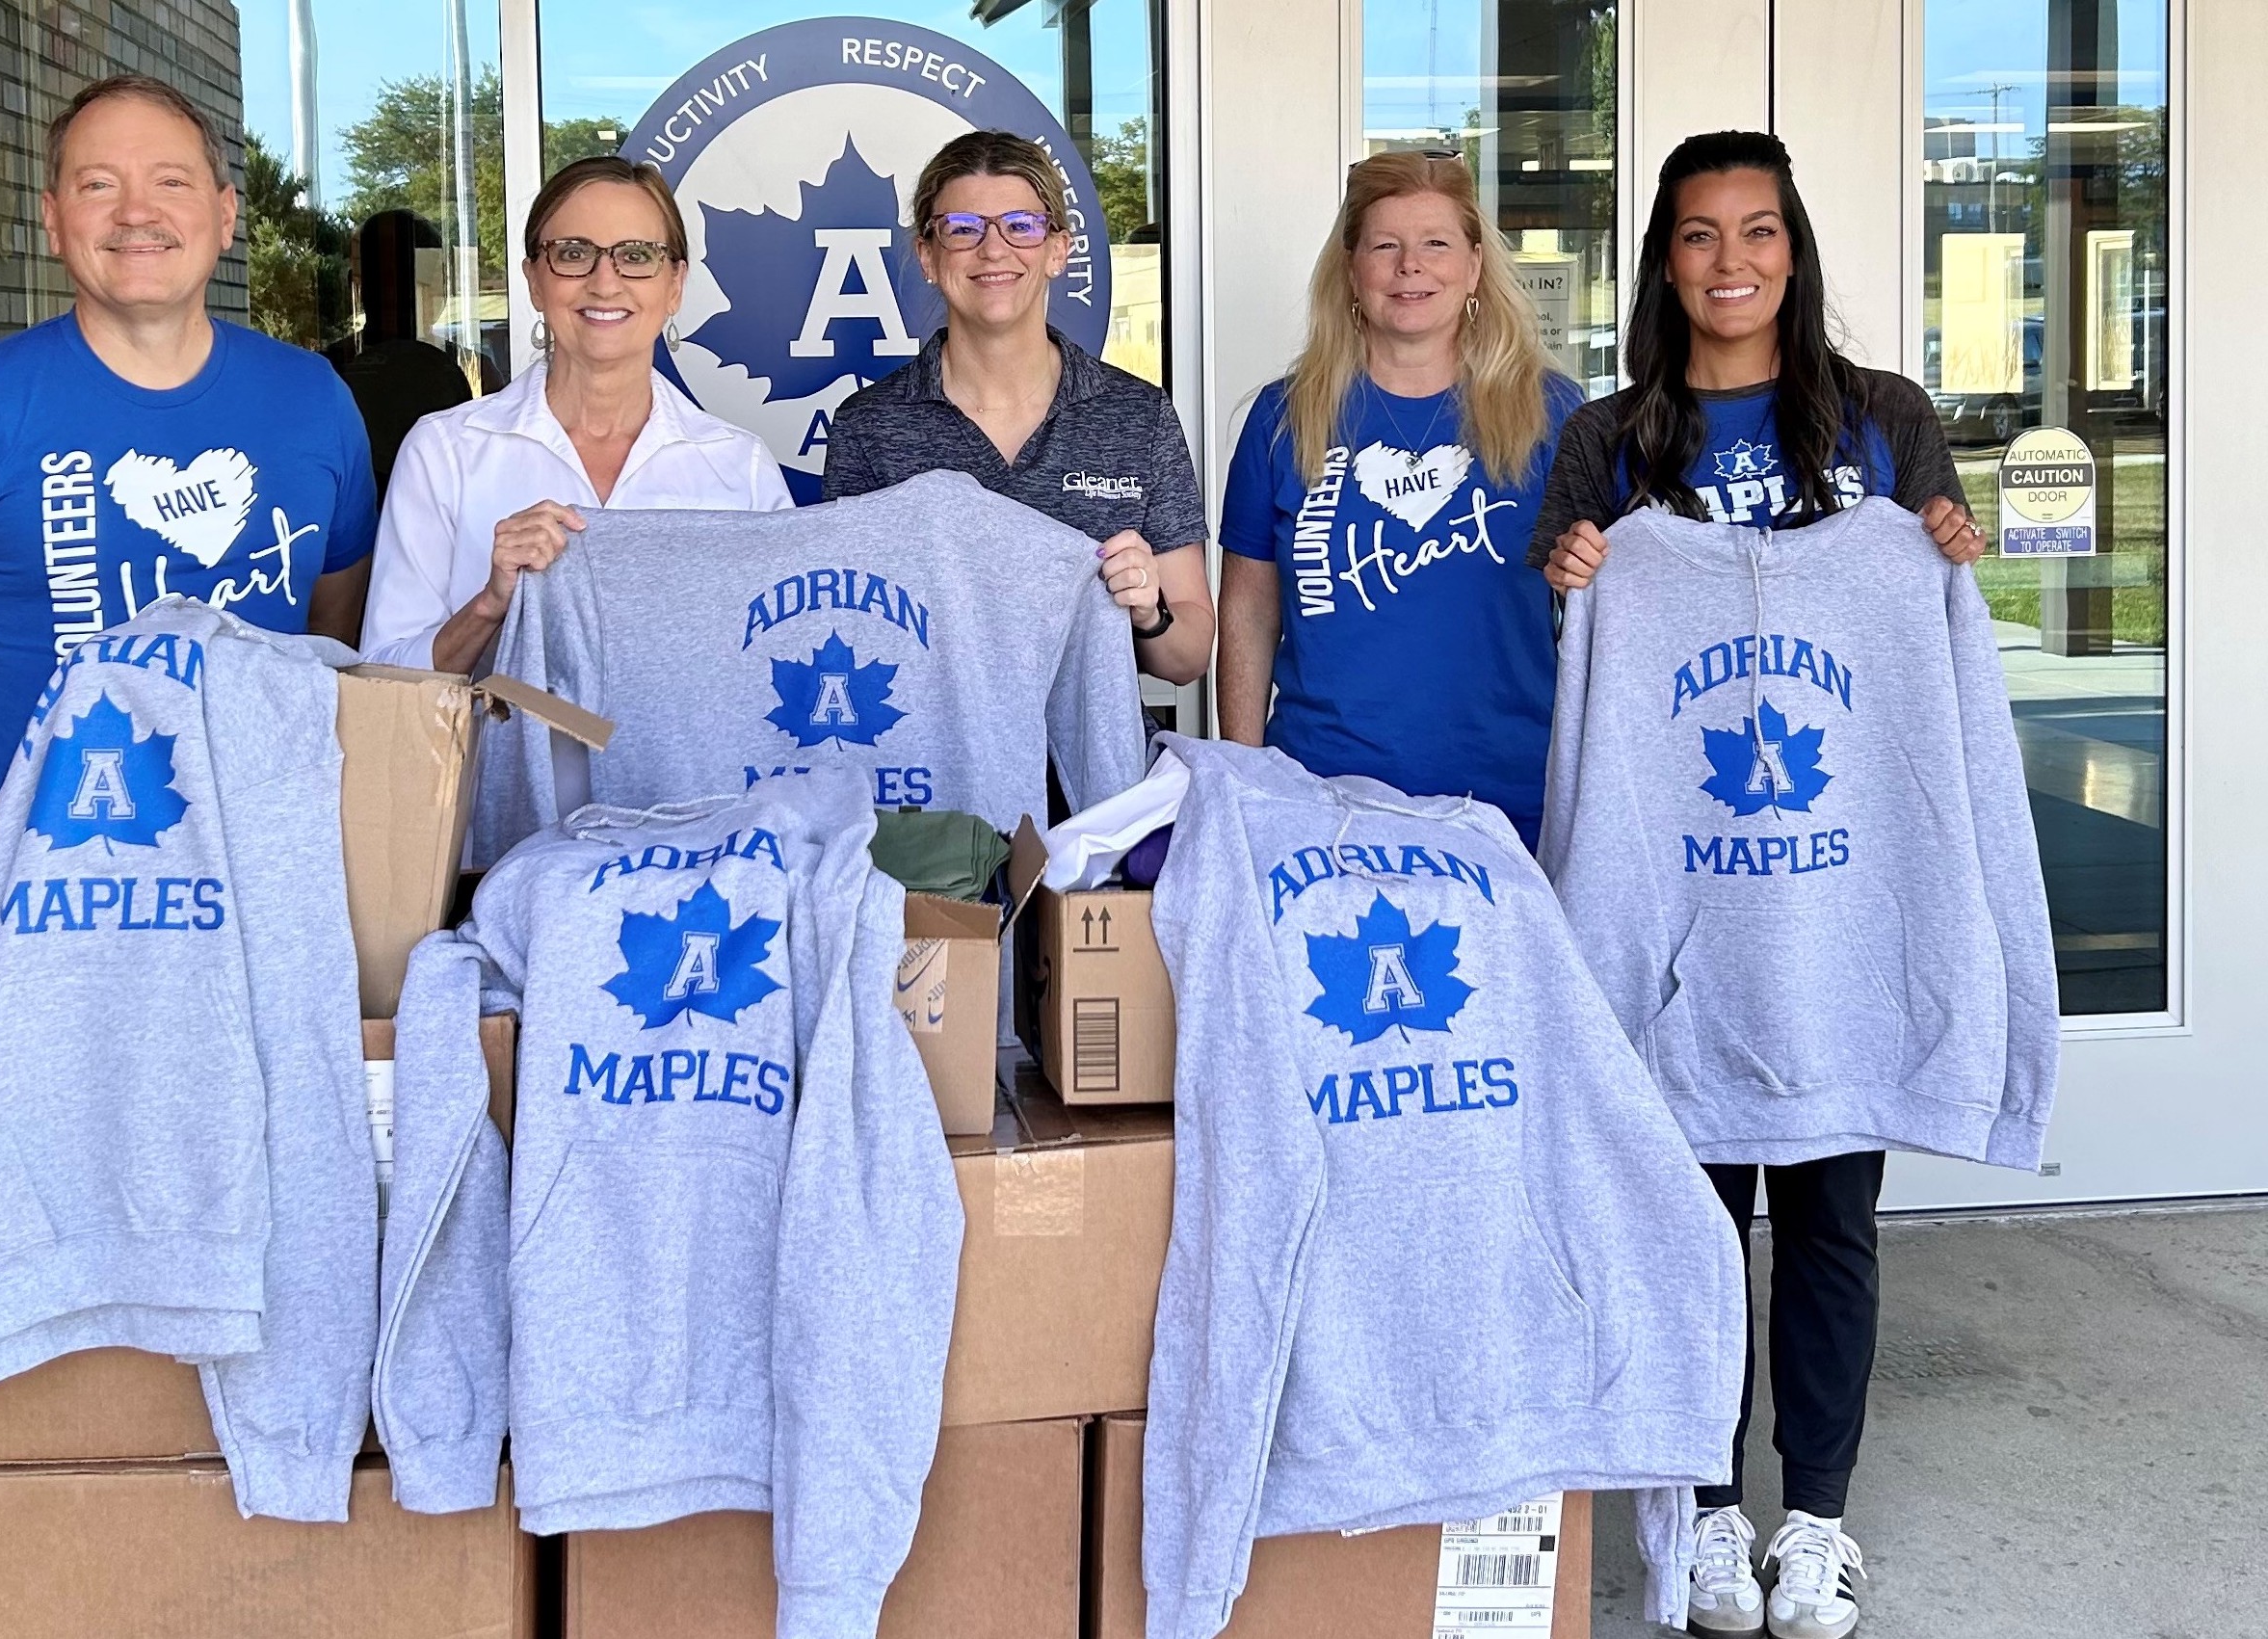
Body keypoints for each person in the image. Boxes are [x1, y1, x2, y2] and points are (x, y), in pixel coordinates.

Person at [1535, 130, 1986, 1639]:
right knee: (1693, 1216)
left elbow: (1926, 625)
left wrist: (1940, 546)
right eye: (1696, 236)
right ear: (1662, 262)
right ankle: (1708, 1512)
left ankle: (1819, 1521)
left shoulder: (1884, 421)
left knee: (1832, 1217)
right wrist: (1576, 581)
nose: (1729, 263)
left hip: (1835, 908)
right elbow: (1572, 659)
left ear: (1792, 251)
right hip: (1683, 910)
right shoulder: (1607, 438)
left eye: (1756, 233)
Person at [0, 73, 377, 824]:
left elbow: (330, 626)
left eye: (171, 181)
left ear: (224, 217)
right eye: (98, 185)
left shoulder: (313, 400)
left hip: (265, 844)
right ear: (54, 221)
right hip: (43, 875)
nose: (136, 213)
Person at [1214, 149, 1580, 849]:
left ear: (1474, 266)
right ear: (1352, 270)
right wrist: (1246, 775)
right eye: (1386, 246)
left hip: (1510, 804)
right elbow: (1249, 607)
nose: (1411, 266)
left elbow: (1600, 604)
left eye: (1436, 243)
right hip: (1323, 798)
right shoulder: (1285, 417)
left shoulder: (1553, 414)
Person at [361, 158, 790, 675]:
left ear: (675, 284)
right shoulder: (445, 454)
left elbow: (777, 669)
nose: (604, 283)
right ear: (535, 282)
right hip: (492, 760)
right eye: (573, 253)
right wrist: (490, 605)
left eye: (636, 255)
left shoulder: (738, 469)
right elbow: (383, 679)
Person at [823, 131, 1215, 687]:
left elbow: (1189, 658)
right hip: (932, 770)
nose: (993, 249)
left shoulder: (1138, 416)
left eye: (1021, 226)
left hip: (1100, 770)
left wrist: (1149, 611)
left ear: (1058, 250)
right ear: (928, 256)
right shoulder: (869, 427)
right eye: (963, 229)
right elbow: (848, 631)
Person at [328, 210, 475, 501]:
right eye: (385, 276)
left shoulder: (474, 371)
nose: (401, 291)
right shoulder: (326, 374)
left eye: (417, 277)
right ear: (356, 284)